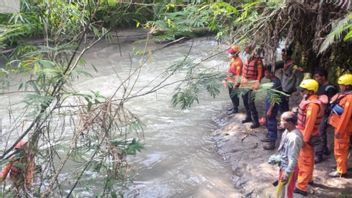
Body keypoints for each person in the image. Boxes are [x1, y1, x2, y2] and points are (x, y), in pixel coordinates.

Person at [294, 79, 324, 196]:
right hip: (303, 132)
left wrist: (305, 140)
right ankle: (308, 179)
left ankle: (302, 187)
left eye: (303, 90)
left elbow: (310, 124)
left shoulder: (313, 105)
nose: (301, 92)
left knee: (305, 161)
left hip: (307, 135)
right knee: (308, 159)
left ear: (310, 91)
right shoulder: (308, 100)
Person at [268, 111, 303, 198]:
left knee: (287, 193)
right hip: (283, 166)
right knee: (280, 192)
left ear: (290, 122)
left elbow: (293, 159)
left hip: (289, 169)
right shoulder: (286, 132)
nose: (280, 122)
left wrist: (287, 173)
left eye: (282, 120)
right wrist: (278, 158)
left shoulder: (294, 138)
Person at [328, 73, 352, 177]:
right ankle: (341, 166)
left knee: (340, 148)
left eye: (341, 85)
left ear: (347, 86)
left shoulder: (350, 98)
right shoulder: (345, 95)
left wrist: (340, 130)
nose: (340, 86)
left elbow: (345, 116)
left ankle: (341, 171)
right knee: (340, 148)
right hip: (339, 126)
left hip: (343, 128)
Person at [313, 68, 338, 163]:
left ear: (323, 77)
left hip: (326, 114)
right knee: (321, 132)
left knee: (320, 132)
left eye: (317, 76)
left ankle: (319, 155)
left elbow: (332, 102)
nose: (316, 78)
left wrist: (327, 114)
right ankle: (325, 150)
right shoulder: (319, 86)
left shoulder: (330, 88)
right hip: (320, 113)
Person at [240, 45, 263, 129]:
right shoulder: (246, 58)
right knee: (244, 100)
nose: (244, 50)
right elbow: (243, 70)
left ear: (250, 49)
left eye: (246, 48)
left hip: (252, 83)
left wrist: (257, 82)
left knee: (250, 102)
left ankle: (256, 121)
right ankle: (248, 116)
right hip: (245, 83)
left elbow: (260, 73)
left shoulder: (258, 60)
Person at [275, 48, 303, 113]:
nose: (282, 57)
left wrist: (296, 89)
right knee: (282, 105)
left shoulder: (294, 66)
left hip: (289, 90)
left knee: (286, 106)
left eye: (284, 55)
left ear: (288, 56)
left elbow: (299, 77)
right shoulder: (285, 64)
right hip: (283, 88)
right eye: (282, 55)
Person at [262, 66, 282, 150]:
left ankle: (272, 142)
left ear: (271, 73)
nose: (265, 74)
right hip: (269, 103)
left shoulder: (276, 83)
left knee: (271, 122)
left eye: (266, 72)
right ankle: (270, 136)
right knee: (268, 120)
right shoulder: (273, 81)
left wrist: (270, 109)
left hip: (272, 105)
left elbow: (275, 97)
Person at [224, 45, 243, 115]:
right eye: (231, 53)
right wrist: (226, 78)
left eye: (232, 53)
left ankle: (236, 108)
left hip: (235, 81)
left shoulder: (239, 62)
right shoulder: (232, 59)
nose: (230, 54)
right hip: (230, 80)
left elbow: (238, 74)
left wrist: (236, 84)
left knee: (234, 95)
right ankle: (234, 106)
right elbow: (230, 70)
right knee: (231, 94)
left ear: (236, 53)